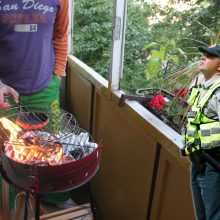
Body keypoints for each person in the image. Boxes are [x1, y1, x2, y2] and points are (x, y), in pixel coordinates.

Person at [0, 0, 75, 210]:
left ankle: (56, 199)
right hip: (4, 91)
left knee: (52, 146)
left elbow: (60, 35)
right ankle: (10, 204)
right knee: (7, 151)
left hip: (45, 88)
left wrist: (58, 74)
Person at [182, 44, 220, 220]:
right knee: (202, 216)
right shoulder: (203, 87)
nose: (203, 57)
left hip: (213, 166)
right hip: (198, 162)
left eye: (210, 56)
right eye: (203, 55)